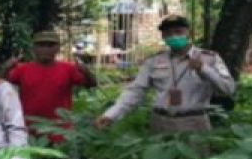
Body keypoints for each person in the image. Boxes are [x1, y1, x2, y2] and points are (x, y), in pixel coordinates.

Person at [95, 15, 235, 134]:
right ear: (163, 36)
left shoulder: (209, 58)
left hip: (194, 122)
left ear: (188, 33)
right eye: (168, 33)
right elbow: (135, 90)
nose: (173, 36)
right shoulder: (154, 61)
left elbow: (228, 88)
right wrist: (111, 115)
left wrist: (204, 69)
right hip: (160, 122)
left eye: (178, 31)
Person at [2, 30, 96, 144]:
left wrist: (86, 72)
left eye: (50, 45)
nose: (46, 49)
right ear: (34, 48)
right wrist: (5, 68)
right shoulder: (22, 69)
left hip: (60, 130)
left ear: (57, 48)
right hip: (29, 128)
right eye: (41, 45)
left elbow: (91, 85)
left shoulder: (68, 68)